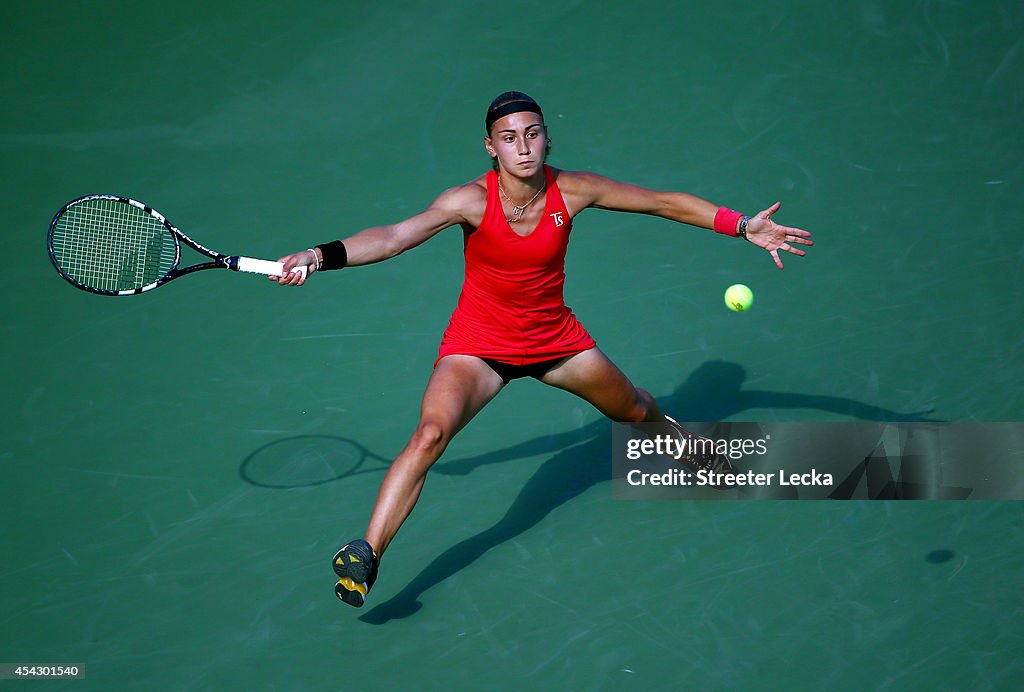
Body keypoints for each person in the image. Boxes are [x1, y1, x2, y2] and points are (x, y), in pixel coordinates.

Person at [272, 91, 813, 607]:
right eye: (509, 137)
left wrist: (741, 226)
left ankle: (683, 446)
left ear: (546, 139)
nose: (523, 146)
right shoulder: (470, 201)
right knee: (430, 433)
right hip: (479, 346)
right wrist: (320, 256)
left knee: (635, 410)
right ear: (491, 146)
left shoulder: (573, 190)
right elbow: (393, 237)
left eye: (533, 134)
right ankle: (368, 553)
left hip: (555, 341)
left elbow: (661, 203)